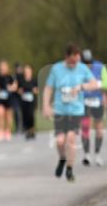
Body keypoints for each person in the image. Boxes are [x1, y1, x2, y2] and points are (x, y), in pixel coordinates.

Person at [43, 44, 100, 182]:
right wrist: (46, 106)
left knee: (71, 138)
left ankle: (69, 168)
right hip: (60, 110)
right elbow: (48, 88)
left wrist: (81, 87)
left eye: (76, 61)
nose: (74, 64)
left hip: (76, 111)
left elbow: (95, 84)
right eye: (71, 61)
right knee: (60, 141)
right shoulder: (56, 69)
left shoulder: (82, 68)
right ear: (66, 57)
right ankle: (62, 158)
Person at [80, 49, 104, 166]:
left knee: (99, 129)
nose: (87, 65)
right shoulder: (78, 69)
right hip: (84, 102)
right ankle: (87, 155)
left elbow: (105, 84)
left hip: (97, 101)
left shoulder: (99, 67)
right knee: (85, 127)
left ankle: (97, 154)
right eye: (85, 63)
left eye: (89, 62)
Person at [0, 60, 18, 141]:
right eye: (1, 67)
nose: (2, 68)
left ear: (7, 68)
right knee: (0, 114)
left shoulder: (10, 77)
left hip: (9, 99)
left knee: (8, 116)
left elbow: (15, 86)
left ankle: (7, 131)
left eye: (4, 67)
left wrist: (10, 88)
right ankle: (0, 131)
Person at [17, 64, 38, 140]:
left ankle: (32, 130)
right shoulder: (21, 80)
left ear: (31, 72)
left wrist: (34, 90)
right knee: (25, 116)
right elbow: (18, 90)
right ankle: (28, 131)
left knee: (31, 115)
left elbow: (37, 90)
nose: (27, 73)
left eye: (28, 71)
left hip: (31, 101)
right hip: (24, 101)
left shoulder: (34, 80)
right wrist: (20, 91)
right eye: (26, 71)